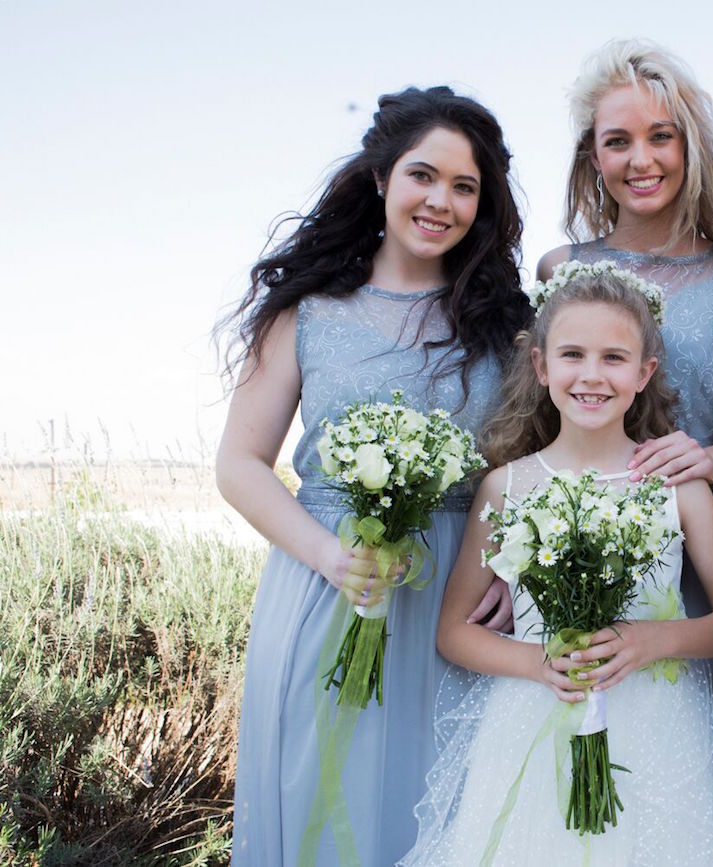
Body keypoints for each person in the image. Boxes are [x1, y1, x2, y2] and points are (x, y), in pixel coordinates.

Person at [215, 86, 531, 865]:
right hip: (326, 583)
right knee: (326, 797)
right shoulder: (308, 313)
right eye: (424, 175)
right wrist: (330, 558)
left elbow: (534, 464)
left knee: (447, 810)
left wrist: (503, 556)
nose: (442, 201)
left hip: (457, 600)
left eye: (466, 187)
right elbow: (237, 464)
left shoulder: (506, 324)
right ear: (384, 177)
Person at [400, 264, 713, 865]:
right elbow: (454, 632)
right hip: (534, 718)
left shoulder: (675, 488)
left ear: (645, 373)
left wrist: (651, 640)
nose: (592, 375)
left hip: (654, 725)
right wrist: (542, 661)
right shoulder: (506, 486)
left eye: (614, 358)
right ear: (541, 366)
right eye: (572, 355)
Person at [537, 39, 713, 752]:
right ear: (594, 158)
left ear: (690, 145)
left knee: (697, 752)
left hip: (708, 554)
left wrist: (710, 459)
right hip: (579, 546)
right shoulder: (561, 266)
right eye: (618, 142)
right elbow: (536, 413)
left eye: (660, 137)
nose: (640, 159)